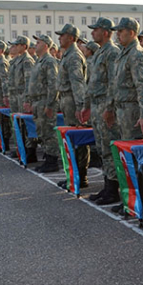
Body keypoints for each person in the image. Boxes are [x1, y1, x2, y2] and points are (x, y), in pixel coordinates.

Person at [84, 18, 121, 205]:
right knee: (102, 148)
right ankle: (108, 186)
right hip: (97, 105)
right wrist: (87, 105)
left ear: (106, 32)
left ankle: (113, 189)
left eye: (96, 30)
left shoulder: (112, 53)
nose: (92, 33)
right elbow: (92, 82)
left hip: (106, 107)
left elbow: (114, 83)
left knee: (109, 148)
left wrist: (109, 108)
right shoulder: (100, 53)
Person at [53, 24, 89, 189]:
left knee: (78, 140)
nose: (60, 37)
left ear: (72, 38)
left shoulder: (74, 56)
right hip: (67, 99)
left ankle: (80, 176)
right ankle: (74, 175)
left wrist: (80, 105)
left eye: (63, 35)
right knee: (72, 140)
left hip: (73, 101)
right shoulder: (67, 55)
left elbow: (78, 83)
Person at [26, 35, 61, 173]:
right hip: (37, 101)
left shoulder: (49, 61)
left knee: (48, 132)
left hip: (44, 101)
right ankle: (48, 158)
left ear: (46, 45)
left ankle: (52, 161)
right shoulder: (39, 61)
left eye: (38, 42)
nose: (35, 44)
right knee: (42, 131)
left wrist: (50, 104)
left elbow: (53, 85)